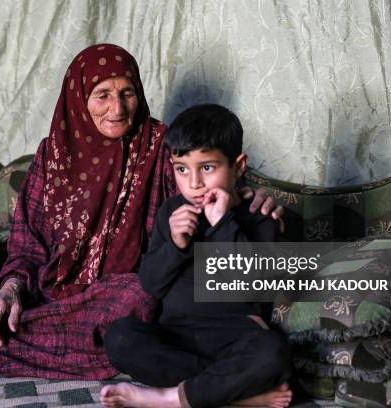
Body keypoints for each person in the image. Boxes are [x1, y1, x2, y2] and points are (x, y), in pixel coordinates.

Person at [0, 44, 283, 380]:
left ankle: (35, 348)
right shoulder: (52, 154)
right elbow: (26, 241)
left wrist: (247, 194)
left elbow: (202, 182)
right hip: (49, 293)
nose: (117, 108)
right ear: (78, 98)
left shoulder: (160, 146)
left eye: (127, 93)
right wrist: (9, 290)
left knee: (138, 298)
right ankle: (85, 352)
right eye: (102, 95)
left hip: (115, 296)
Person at [100, 104, 292, 408]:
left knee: (273, 352)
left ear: (238, 166)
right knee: (119, 337)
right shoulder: (171, 213)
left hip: (235, 339)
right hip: (177, 336)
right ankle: (236, 396)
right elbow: (151, 284)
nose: (194, 183)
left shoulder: (259, 217)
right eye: (181, 169)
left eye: (207, 167)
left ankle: (168, 398)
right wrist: (175, 244)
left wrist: (223, 223)